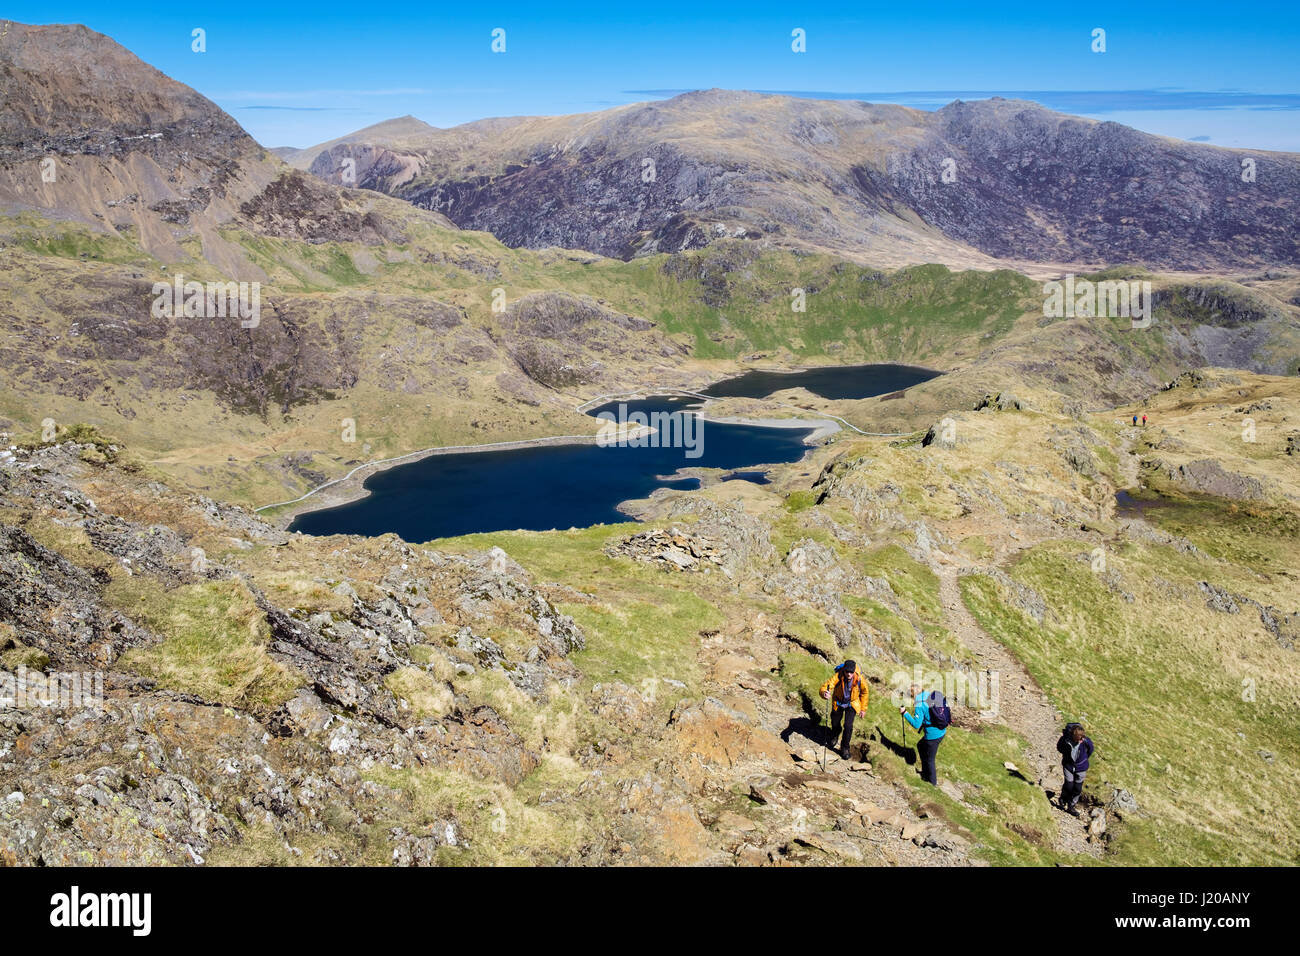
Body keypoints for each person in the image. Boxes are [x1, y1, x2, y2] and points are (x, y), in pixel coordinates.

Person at [900, 684, 949, 785]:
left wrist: (905, 713)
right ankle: (925, 773)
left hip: (933, 736)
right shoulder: (929, 695)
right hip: (941, 731)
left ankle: (932, 783)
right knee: (921, 745)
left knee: (930, 759)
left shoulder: (919, 704)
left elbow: (916, 724)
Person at [819, 660, 868, 759]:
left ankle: (845, 747)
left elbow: (865, 693)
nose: (849, 674)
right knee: (835, 721)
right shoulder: (838, 676)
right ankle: (835, 734)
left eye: (851, 672)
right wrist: (825, 693)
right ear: (844, 670)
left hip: (852, 703)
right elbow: (826, 686)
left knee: (848, 726)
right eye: (847, 672)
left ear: (854, 671)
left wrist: (863, 709)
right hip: (838, 702)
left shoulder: (860, 679)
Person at [1057, 722, 1095, 815]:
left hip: (1081, 768)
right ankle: (1063, 798)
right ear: (1073, 735)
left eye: (1082, 737)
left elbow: (1091, 749)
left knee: (1077, 788)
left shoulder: (1085, 741)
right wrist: (1066, 757)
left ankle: (1071, 806)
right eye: (1079, 738)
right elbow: (1059, 748)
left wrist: (1084, 759)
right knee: (1069, 785)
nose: (1081, 739)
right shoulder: (1065, 740)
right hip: (1068, 766)